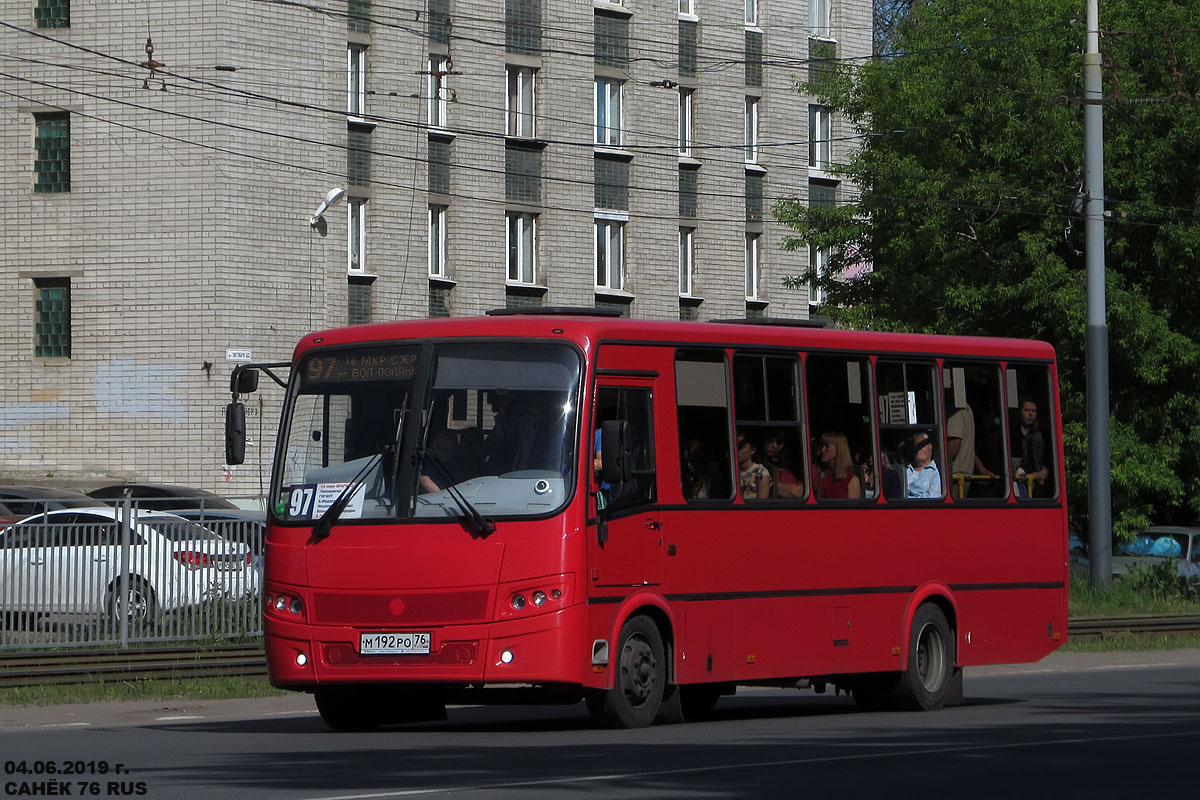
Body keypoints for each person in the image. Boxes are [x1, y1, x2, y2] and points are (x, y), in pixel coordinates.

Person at [945, 404, 996, 496]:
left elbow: (954, 447)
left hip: (954, 477)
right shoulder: (967, 409)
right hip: (963, 477)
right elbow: (968, 447)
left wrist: (936, 467)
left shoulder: (956, 411)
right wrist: (982, 469)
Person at [1013, 395, 1049, 497]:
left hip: (1036, 485)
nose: (1030, 414)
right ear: (1020, 412)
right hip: (1017, 485)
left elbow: (1045, 460)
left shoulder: (1039, 436)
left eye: (1034, 411)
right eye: (1027, 410)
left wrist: (1044, 471)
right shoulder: (1012, 434)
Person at [816, 431, 861, 499]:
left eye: (827, 446)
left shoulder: (852, 481)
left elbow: (853, 509)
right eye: (822, 446)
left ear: (839, 449)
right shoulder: (821, 477)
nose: (822, 450)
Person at [763, 430, 804, 498]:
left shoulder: (794, 470)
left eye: (779, 442)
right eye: (770, 441)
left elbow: (798, 492)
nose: (775, 446)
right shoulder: (760, 467)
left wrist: (765, 485)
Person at [905, 430, 941, 499]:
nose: (919, 449)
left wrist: (907, 500)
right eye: (916, 445)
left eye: (922, 445)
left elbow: (933, 497)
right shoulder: (905, 471)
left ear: (930, 447)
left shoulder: (935, 472)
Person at [737, 432, 772, 500]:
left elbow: (761, 504)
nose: (737, 451)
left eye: (741, 447)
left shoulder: (761, 473)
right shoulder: (732, 472)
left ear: (752, 450)